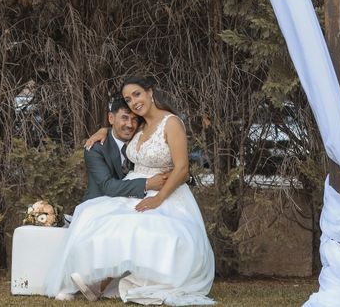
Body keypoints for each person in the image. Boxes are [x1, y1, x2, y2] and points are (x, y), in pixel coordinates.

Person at [46, 76, 215, 305]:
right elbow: (121, 131)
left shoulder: (172, 122)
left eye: (137, 94)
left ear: (150, 92)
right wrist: (104, 130)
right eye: (128, 98)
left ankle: (103, 283)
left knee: (138, 224)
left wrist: (159, 199)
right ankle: (93, 279)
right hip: (136, 188)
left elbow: (183, 168)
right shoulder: (140, 126)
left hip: (165, 192)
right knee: (95, 214)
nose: (134, 101)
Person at [83, 96, 170, 202]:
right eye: (124, 118)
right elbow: (108, 187)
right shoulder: (95, 148)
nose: (130, 124)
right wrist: (148, 184)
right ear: (111, 118)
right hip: (100, 203)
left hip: (133, 202)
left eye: (134, 119)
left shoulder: (139, 140)